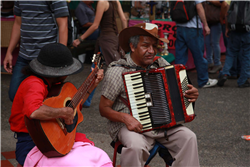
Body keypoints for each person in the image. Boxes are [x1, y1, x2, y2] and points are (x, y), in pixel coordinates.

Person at [99, 23, 200, 167]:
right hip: (130, 127)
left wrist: (190, 95)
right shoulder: (117, 71)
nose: (151, 51)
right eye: (145, 46)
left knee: (189, 137)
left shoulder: (160, 64)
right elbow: (103, 109)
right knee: (135, 146)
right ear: (132, 47)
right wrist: (126, 118)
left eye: (154, 46)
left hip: (164, 126)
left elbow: (179, 94)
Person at [8, 43, 111, 167]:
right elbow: (34, 111)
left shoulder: (51, 84)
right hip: (31, 142)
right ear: (56, 72)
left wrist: (93, 84)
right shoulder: (34, 84)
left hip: (55, 139)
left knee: (99, 156)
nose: (68, 74)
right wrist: (62, 112)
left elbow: (74, 107)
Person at [3, 0, 69, 102]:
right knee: (14, 94)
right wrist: (9, 52)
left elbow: (63, 25)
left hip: (46, 58)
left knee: (45, 97)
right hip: (24, 55)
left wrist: (61, 58)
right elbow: (17, 23)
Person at [174, 0, 218, 88]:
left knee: (180, 57)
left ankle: (177, 82)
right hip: (193, 29)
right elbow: (199, 7)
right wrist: (205, 24)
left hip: (180, 27)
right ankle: (203, 80)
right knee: (199, 56)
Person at [72, 0, 127, 66]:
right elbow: (124, 19)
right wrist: (123, 37)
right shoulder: (116, 1)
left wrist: (80, 39)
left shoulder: (102, 2)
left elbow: (95, 26)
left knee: (96, 67)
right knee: (97, 64)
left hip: (105, 40)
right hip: (114, 38)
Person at [217, 0, 250, 87]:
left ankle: (225, 73)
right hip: (247, 30)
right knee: (247, 54)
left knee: (231, 52)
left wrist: (227, 27)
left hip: (234, 29)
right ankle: (243, 80)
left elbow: (225, 6)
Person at [205, 0, 223, 74]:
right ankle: (209, 62)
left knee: (214, 43)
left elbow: (222, 3)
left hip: (216, 20)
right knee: (207, 42)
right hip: (208, 19)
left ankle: (217, 63)